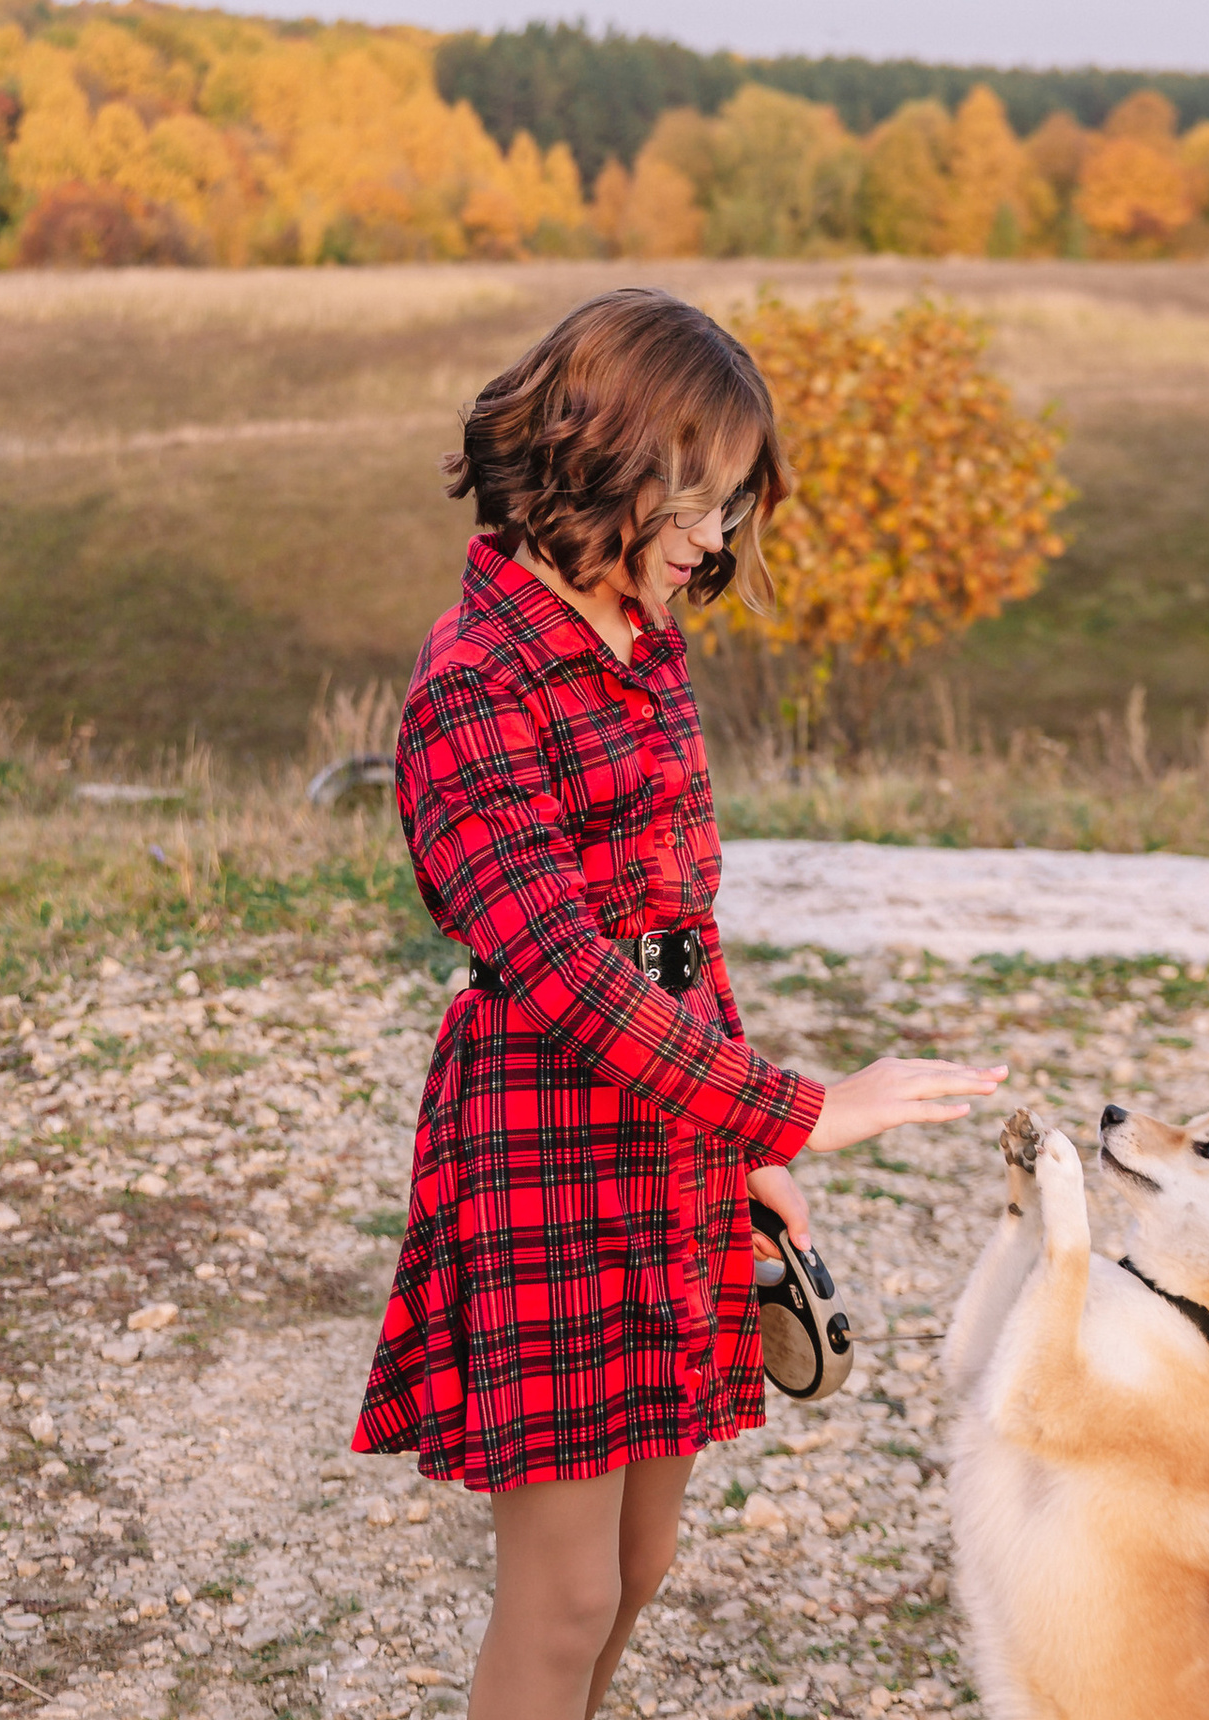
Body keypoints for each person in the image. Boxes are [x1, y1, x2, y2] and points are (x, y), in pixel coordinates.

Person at [353, 288, 1005, 1720]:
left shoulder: (646, 648)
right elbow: (569, 975)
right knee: (566, 1595)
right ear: (604, 453)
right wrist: (803, 1110)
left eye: (731, 504)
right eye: (698, 500)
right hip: (541, 1139)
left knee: (641, 1563)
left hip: (672, 1131)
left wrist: (748, 1147)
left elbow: (679, 928)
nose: (716, 538)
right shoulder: (472, 681)